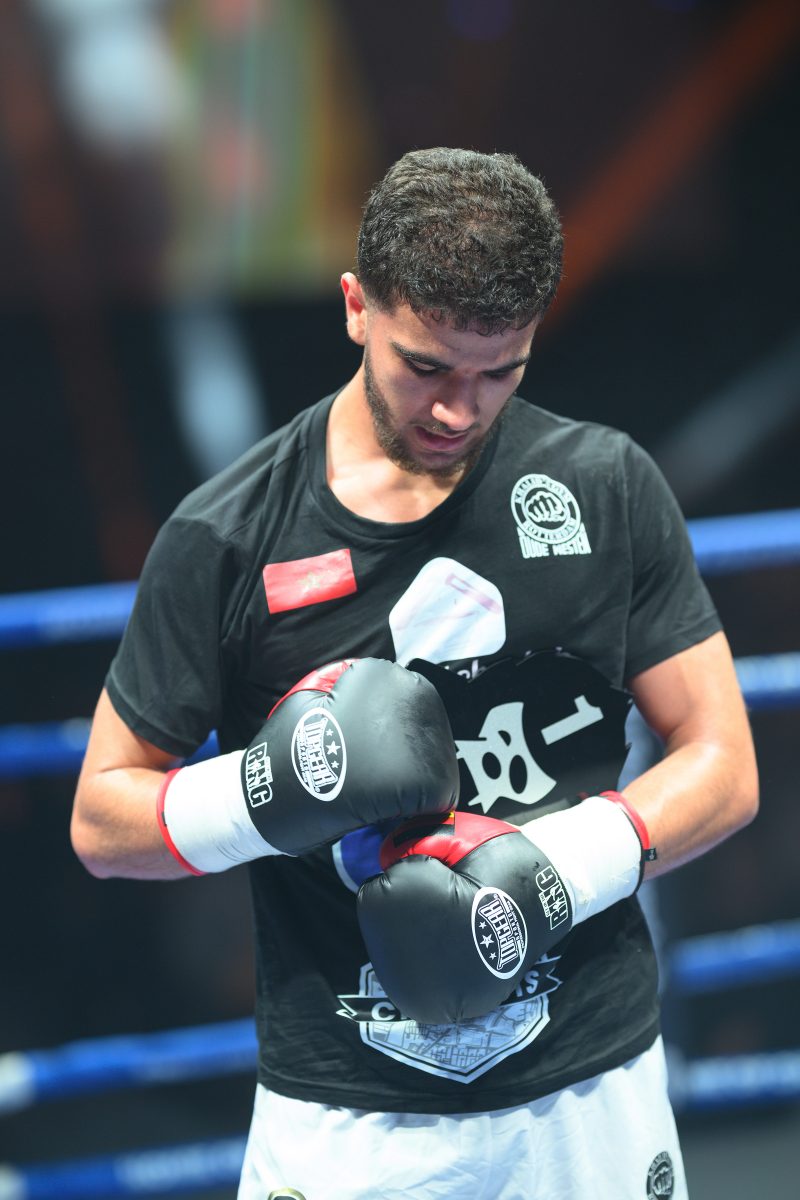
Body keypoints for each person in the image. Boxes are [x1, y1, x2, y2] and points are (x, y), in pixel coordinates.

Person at [71, 147, 758, 1200]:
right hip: (348, 1115)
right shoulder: (229, 535)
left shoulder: (602, 486)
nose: (458, 410)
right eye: (427, 367)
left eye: (499, 371)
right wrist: (270, 790)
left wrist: (554, 871)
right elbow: (101, 820)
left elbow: (722, 761)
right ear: (357, 308)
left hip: (588, 1092)